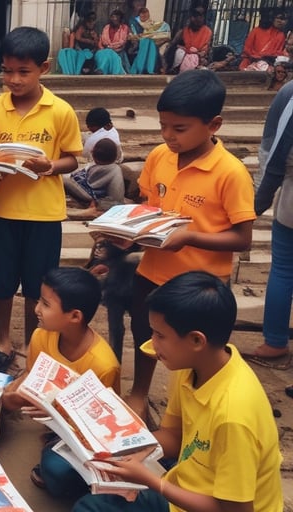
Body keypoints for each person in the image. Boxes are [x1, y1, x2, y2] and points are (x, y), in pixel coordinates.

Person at [72, 271, 283, 512]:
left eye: (160, 335)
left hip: (205, 502)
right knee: (77, 473)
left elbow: (235, 510)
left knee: (87, 508)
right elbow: (174, 435)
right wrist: (131, 451)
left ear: (196, 341)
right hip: (186, 479)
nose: (152, 343)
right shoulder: (195, 364)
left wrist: (152, 482)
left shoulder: (233, 416)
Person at [124, 70, 255, 419]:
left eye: (179, 128)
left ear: (214, 125)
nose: (169, 136)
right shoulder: (159, 157)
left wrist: (190, 237)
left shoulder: (230, 172)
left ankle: (190, 412)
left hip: (200, 286)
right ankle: (139, 393)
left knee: (193, 349)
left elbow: (243, 238)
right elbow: (149, 206)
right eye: (163, 126)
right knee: (146, 335)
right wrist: (127, 230)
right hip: (152, 271)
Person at [0, 27, 83, 373]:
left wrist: (49, 166)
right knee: (2, 283)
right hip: (3, 212)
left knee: (37, 286)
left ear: (44, 68)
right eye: (7, 71)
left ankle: (29, 345)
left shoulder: (60, 111)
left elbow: (72, 159)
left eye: (23, 71)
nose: (14, 79)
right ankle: (3, 342)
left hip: (44, 215)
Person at [1, 267, 120, 498]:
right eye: (39, 300)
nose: (36, 309)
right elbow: (31, 375)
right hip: (53, 423)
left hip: (84, 433)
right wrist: (13, 397)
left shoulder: (104, 365)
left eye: (45, 304)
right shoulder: (41, 336)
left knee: (56, 472)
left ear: (74, 316)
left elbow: (104, 424)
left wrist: (57, 414)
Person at [248, 80, 293, 362]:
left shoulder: (290, 93)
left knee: (284, 269)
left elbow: (274, 159)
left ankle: (275, 341)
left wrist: (257, 205)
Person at [63, 138, 125, 212]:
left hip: (92, 198)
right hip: (90, 196)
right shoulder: (109, 168)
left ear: (93, 155)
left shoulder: (113, 170)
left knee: (63, 179)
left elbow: (116, 200)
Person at [165, 6, 212, 74]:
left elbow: (206, 50)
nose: (196, 19)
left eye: (200, 16)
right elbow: (172, 45)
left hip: (200, 59)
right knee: (179, 52)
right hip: (181, 60)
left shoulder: (207, 32)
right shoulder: (183, 31)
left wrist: (199, 54)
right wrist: (182, 48)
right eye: (194, 16)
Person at [127, 7, 170, 74]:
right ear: (139, 15)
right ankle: (141, 68)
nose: (144, 16)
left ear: (148, 15)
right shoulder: (135, 24)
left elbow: (159, 33)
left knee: (150, 42)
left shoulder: (153, 23)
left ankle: (150, 69)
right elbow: (132, 36)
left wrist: (148, 35)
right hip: (141, 42)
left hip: (152, 42)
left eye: (146, 15)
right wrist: (140, 36)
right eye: (142, 15)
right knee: (146, 41)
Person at [95, 10, 129, 75]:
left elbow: (122, 42)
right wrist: (109, 48)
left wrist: (110, 47)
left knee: (110, 53)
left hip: (118, 51)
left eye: (116, 17)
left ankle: (102, 70)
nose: (114, 19)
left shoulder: (124, 28)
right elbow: (104, 41)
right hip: (103, 50)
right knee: (105, 54)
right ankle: (100, 70)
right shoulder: (106, 27)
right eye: (113, 17)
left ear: (120, 19)